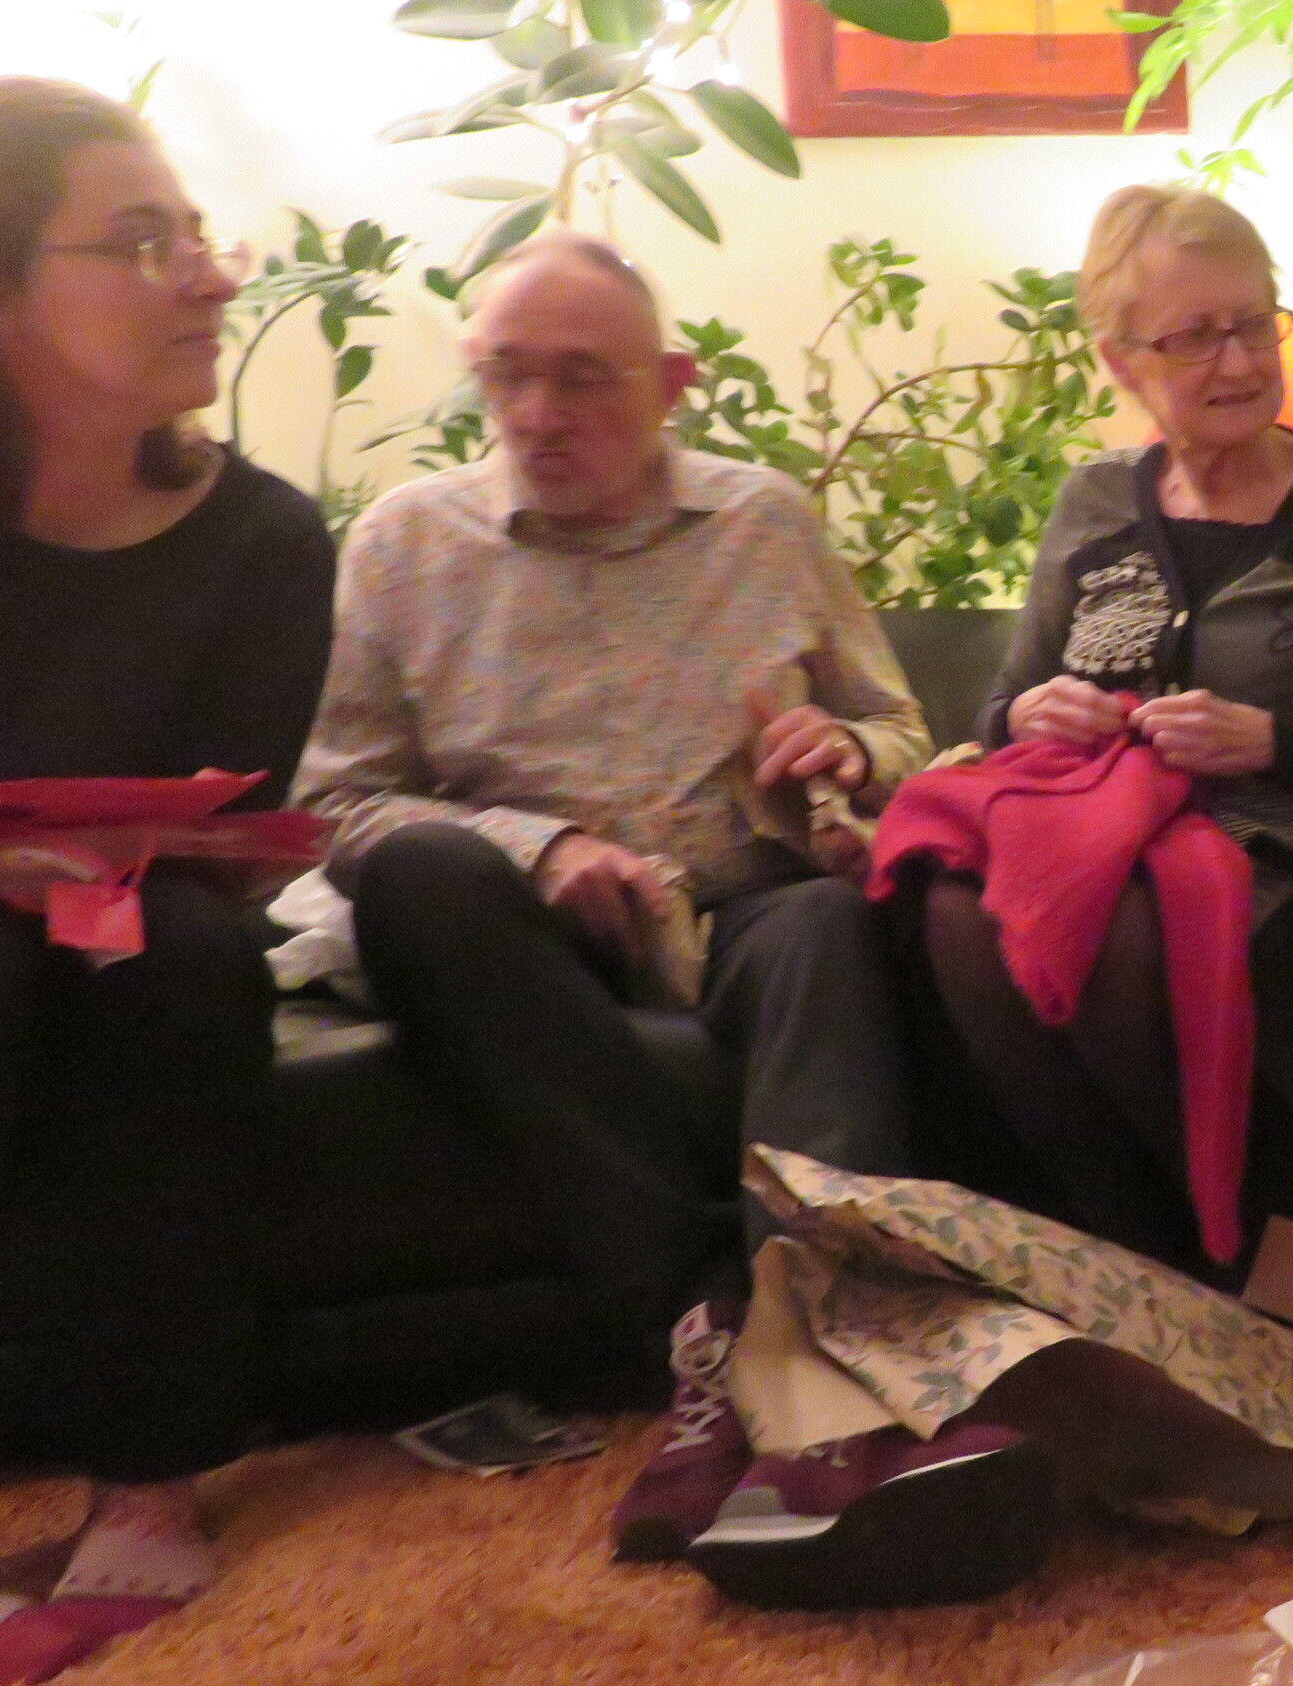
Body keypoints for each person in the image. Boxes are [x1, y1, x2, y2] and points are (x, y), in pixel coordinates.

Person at [289, 231, 931, 1553]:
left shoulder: (766, 521)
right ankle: (707, 1320)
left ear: (671, 384)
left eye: (582, 377)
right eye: (506, 374)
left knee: (827, 925)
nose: (537, 413)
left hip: (744, 901)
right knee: (420, 874)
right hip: (527, 939)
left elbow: (903, 730)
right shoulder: (405, 543)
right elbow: (338, 804)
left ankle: (810, 1362)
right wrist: (539, 849)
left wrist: (850, 752)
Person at [906, 184, 1293, 1276]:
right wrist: (1028, 712)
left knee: (1133, 933)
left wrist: (1273, 742)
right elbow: (1000, 711)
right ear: (1121, 359)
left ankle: (1200, 1257)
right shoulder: (1095, 500)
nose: (1240, 362)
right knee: (951, 911)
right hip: (1102, 850)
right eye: (1195, 337)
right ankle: (1136, 1242)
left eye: (1255, 323)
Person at [0, 76, 335, 1686]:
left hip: (135, 904)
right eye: (140, 242)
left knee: (181, 958)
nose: (211, 276)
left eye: (198, 235)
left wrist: (79, 864)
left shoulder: (264, 537)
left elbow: (236, 808)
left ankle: (152, 1481)